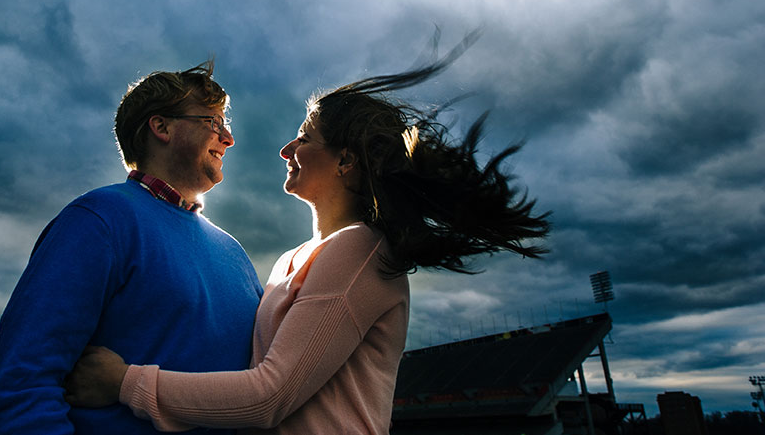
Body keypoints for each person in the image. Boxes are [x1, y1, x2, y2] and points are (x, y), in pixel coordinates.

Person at [63, 43, 552, 434]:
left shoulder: (360, 250)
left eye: (304, 138)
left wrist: (124, 382)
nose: (286, 149)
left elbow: (269, 396)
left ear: (345, 161)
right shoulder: (289, 260)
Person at [0, 62, 263, 435]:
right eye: (212, 122)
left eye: (226, 124)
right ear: (161, 127)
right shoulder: (97, 221)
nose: (227, 137)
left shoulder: (235, 253)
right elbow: (22, 384)